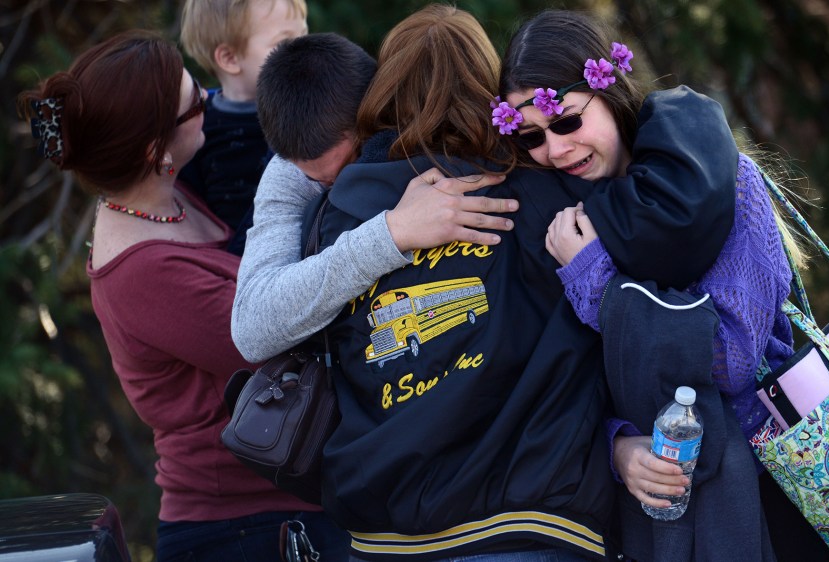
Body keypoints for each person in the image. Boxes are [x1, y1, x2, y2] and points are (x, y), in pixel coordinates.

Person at [305, 5, 740, 561]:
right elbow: (673, 215)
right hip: (529, 525)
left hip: (378, 538)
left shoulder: (336, 215)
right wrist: (684, 107)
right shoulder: (541, 199)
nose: (554, 148)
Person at [497, 10, 829, 562]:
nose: (555, 150)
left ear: (609, 91)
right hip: (642, 518)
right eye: (531, 136)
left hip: (762, 490)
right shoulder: (561, 217)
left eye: (567, 122)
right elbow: (572, 378)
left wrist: (594, 277)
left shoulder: (721, 182)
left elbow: (728, 359)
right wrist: (619, 447)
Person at [17, 30, 347, 561]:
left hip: (280, 505)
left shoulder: (169, 194)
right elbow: (280, 331)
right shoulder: (144, 276)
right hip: (243, 529)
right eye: (197, 103)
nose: (210, 104)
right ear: (155, 151)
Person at [231, 32, 516, 363]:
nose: (339, 188)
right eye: (318, 180)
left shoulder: (423, 123)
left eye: (348, 166)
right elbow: (252, 330)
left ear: (375, 111)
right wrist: (392, 232)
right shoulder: (288, 170)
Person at [178, 0, 308, 255]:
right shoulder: (198, 125)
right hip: (237, 265)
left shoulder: (314, 104)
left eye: (304, 36)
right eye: (284, 43)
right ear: (229, 58)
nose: (304, 52)